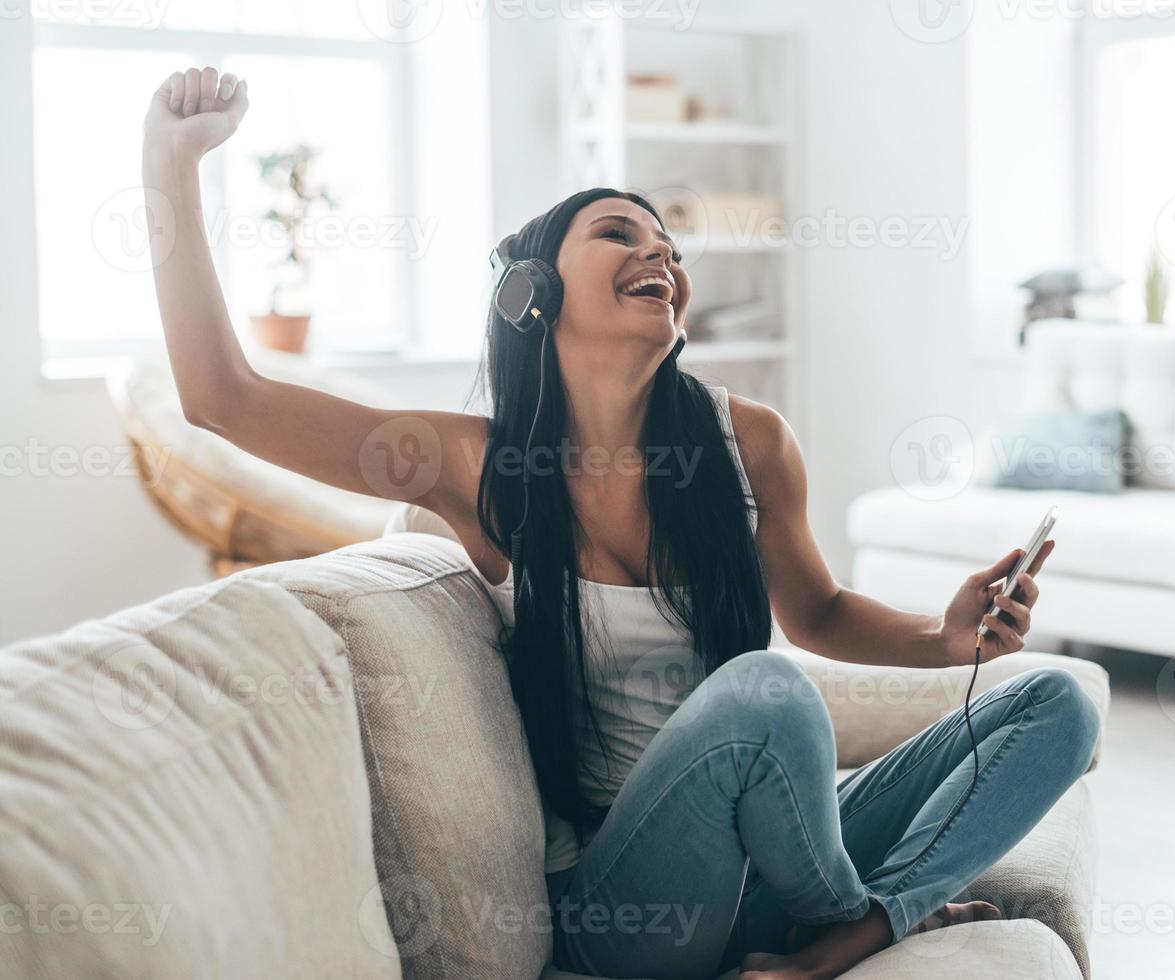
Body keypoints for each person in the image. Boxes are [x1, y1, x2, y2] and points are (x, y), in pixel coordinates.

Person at [141, 66, 1101, 980]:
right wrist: (172, 160)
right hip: (634, 906)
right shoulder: (479, 467)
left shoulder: (748, 442)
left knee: (1055, 702)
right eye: (619, 234)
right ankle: (859, 920)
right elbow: (223, 397)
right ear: (532, 295)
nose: (663, 257)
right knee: (764, 695)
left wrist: (942, 638)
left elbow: (818, 612)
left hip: (774, 866)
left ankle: (851, 918)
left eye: (672, 249)